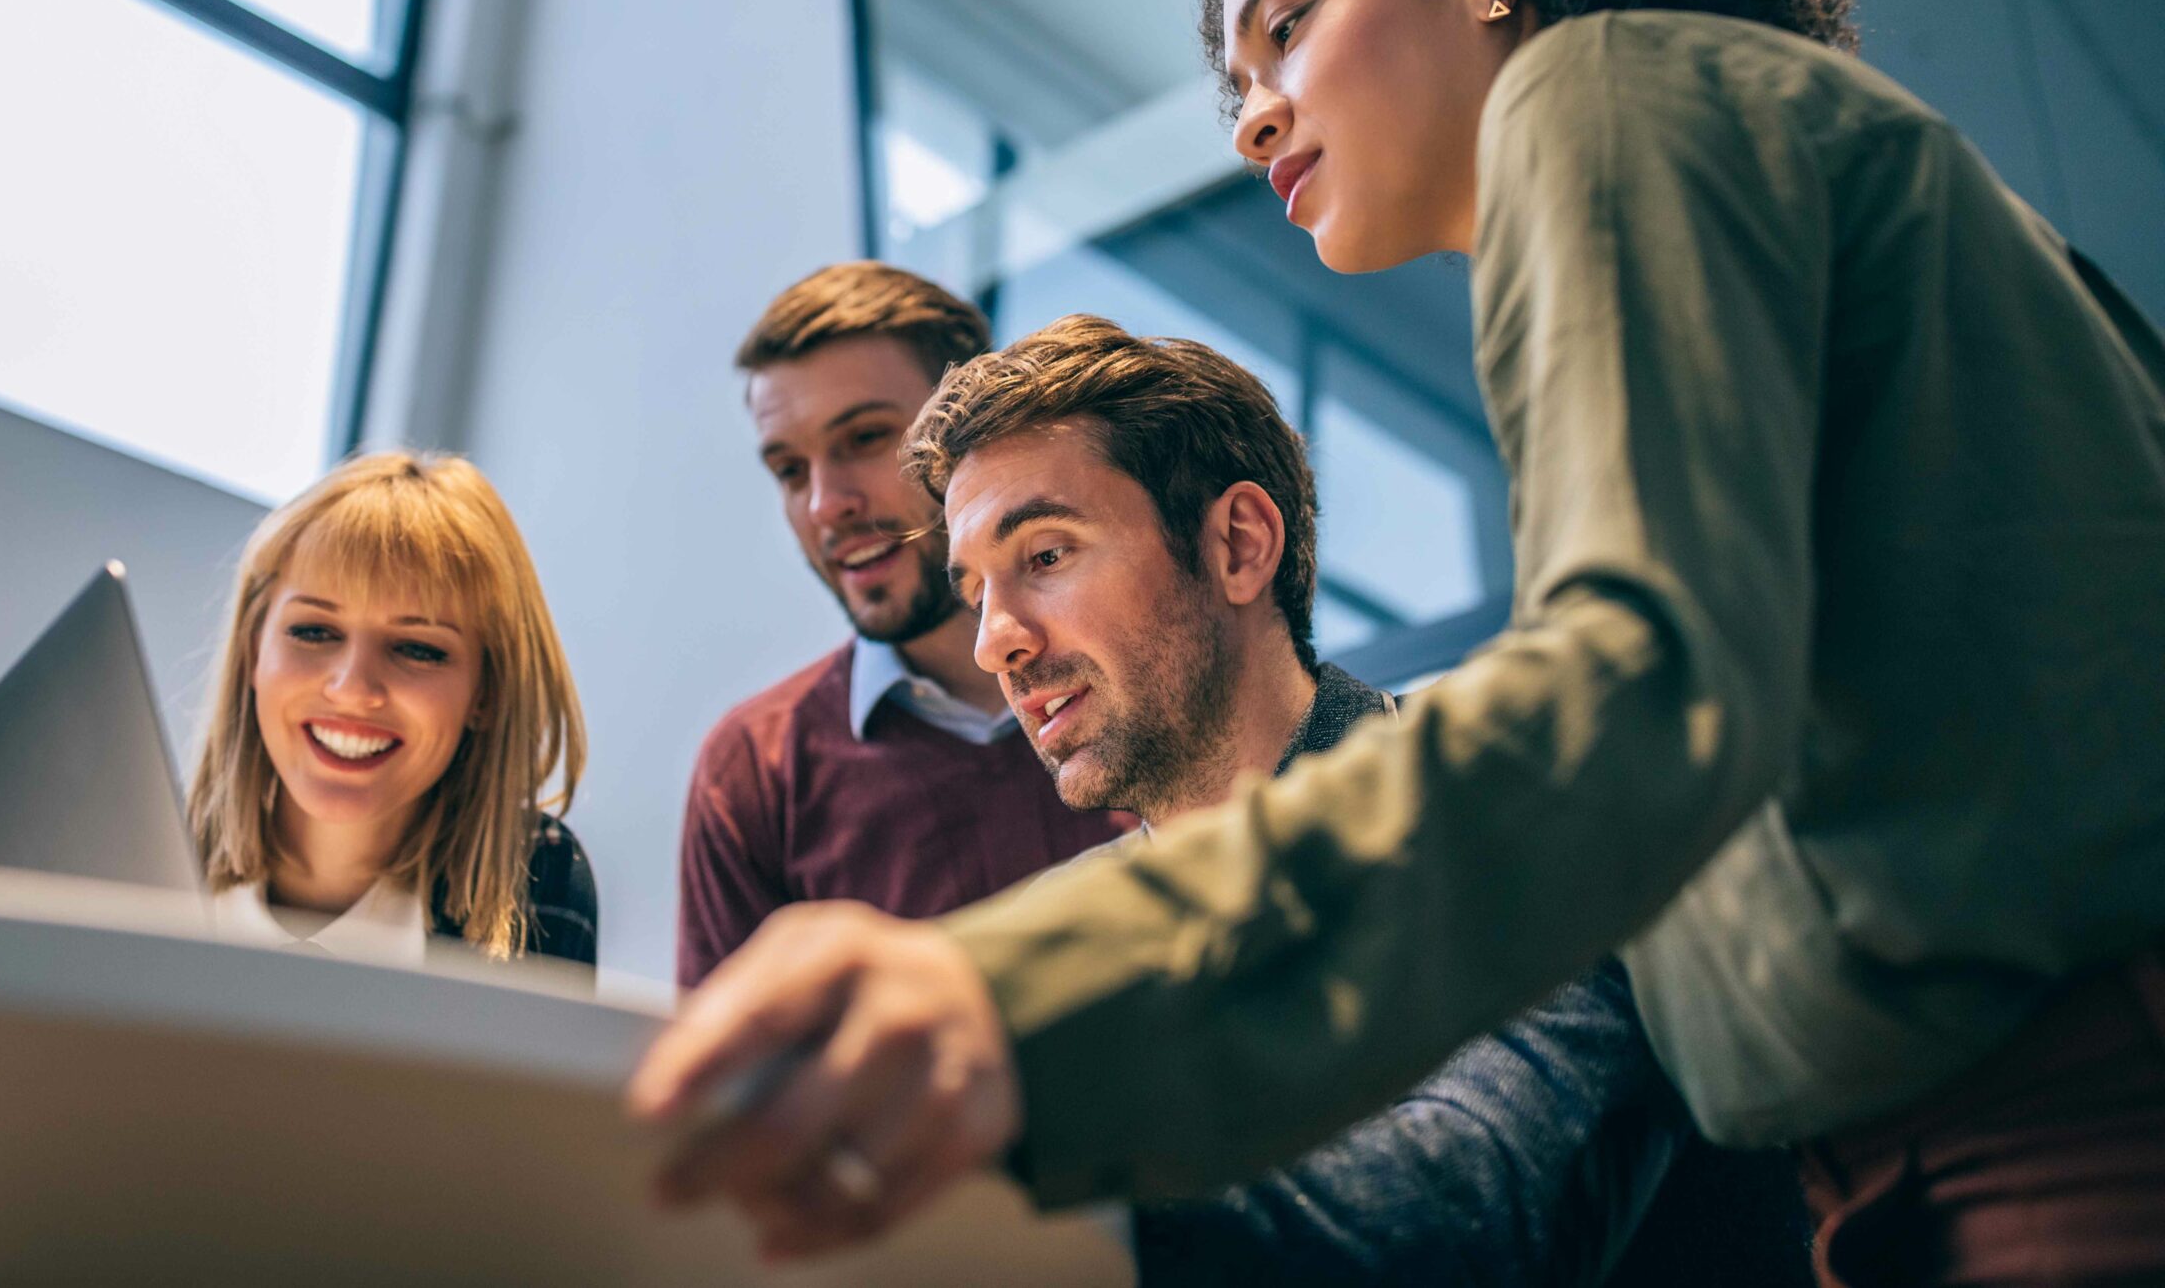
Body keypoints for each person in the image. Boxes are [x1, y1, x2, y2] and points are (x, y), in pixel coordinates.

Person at [629, 0, 2165, 1283]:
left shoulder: (1610, 87)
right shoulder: (1839, 179)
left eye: (1287, 26)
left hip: (2066, 1132)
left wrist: (1017, 999)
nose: (1252, 119)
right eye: (1233, 84)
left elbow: (1641, 683)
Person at [931, 313, 1809, 1284]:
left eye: (1045, 556)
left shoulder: (1506, 811)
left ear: (1237, 545)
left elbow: (1467, 1207)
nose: (992, 642)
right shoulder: (1080, 934)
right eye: (974, 593)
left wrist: (1018, 1195)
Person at [675, 263, 1128, 988]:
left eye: (863, 438)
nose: (826, 503)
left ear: (973, 428)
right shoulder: (755, 774)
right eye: (790, 470)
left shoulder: (1140, 676)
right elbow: (726, 1092)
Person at [188, 450, 597, 968]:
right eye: (314, 631)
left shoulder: (539, 876)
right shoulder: (137, 852)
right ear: (252, 651)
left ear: (487, 692)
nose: (354, 689)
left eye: (418, 649)